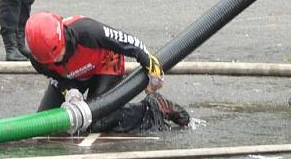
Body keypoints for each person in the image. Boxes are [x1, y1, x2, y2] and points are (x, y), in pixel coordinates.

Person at [24, 11, 190, 132]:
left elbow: (130, 42)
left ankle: (154, 107)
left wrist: (152, 67)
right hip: (72, 77)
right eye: (52, 60)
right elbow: (56, 77)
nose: (57, 60)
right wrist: (70, 91)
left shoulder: (87, 31)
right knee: (44, 122)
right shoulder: (39, 60)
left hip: (105, 64)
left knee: (96, 121)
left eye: (59, 53)